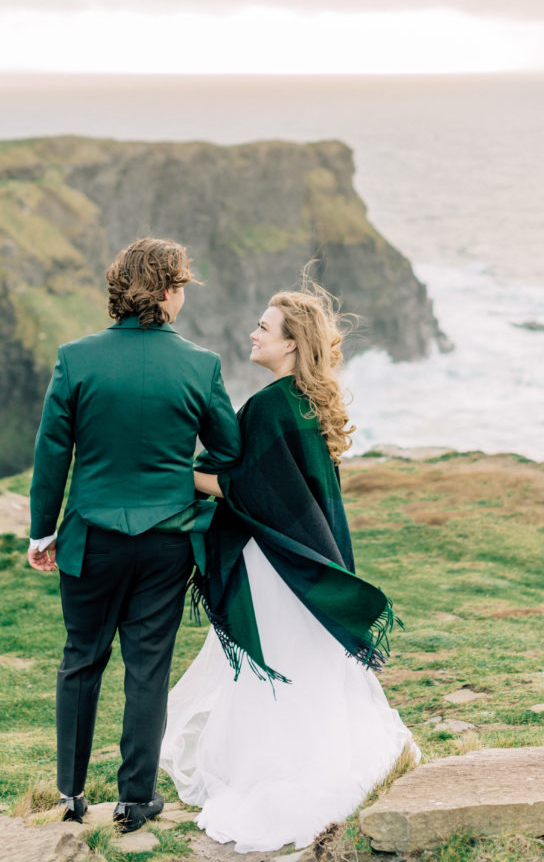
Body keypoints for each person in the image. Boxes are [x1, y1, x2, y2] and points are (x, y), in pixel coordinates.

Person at [160, 284, 419, 854]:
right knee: (305, 665)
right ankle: (328, 760)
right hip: (301, 563)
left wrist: (171, 472)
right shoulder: (304, 402)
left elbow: (242, 488)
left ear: (291, 345)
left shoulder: (273, 405)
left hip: (274, 564)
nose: (252, 333)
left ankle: (284, 775)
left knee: (277, 671)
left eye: (263, 328)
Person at [27, 237, 241, 832]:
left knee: (80, 660)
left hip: (90, 536)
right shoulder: (201, 365)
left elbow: (52, 454)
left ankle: (70, 793)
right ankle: (135, 798)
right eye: (181, 288)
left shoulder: (75, 359)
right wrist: (175, 472)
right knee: (148, 666)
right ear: (169, 293)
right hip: (167, 541)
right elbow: (228, 451)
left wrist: (42, 532)